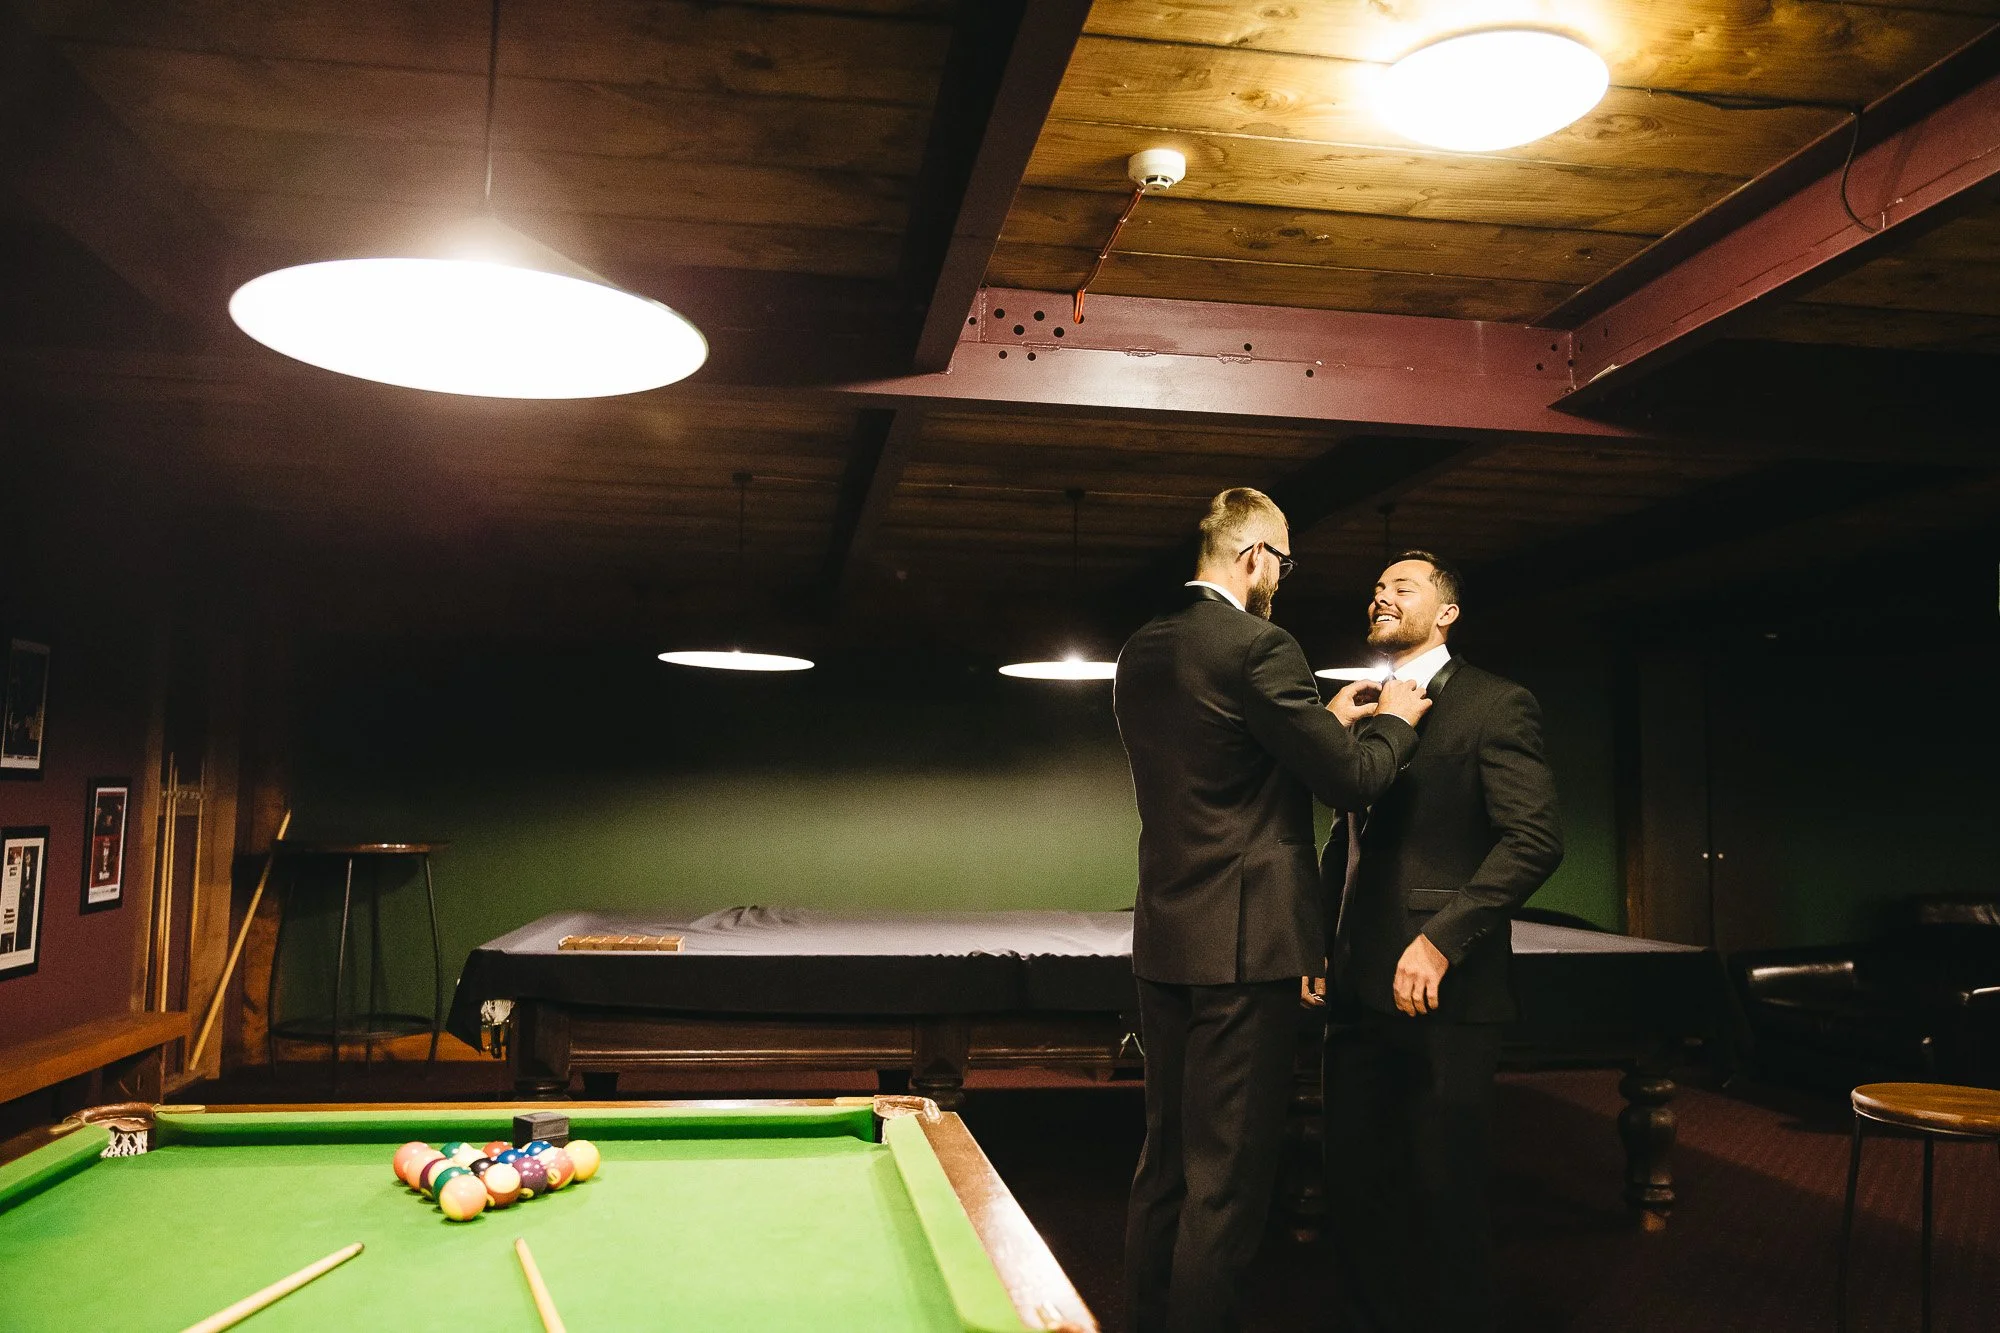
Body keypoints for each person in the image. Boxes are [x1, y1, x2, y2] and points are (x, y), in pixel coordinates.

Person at [1115, 488, 1431, 1333]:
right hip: (1246, 947)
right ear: (1254, 554)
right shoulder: (1262, 646)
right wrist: (1393, 722)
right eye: (1283, 562)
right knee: (1225, 1184)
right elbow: (1354, 781)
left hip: (1167, 935)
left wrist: (1315, 723)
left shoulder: (1141, 649)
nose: (1282, 580)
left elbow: (1221, 764)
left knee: (1165, 1166)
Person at [1321, 551, 1564, 1333]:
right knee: (1353, 1185)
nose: (1381, 595)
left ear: (1448, 612)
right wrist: (1316, 940)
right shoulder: (1366, 704)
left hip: (1445, 991)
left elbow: (1534, 840)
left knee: (1443, 1191)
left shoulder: (1497, 703)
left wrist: (1440, 940)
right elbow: (1347, 838)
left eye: (1403, 586)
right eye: (1376, 587)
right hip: (1354, 988)